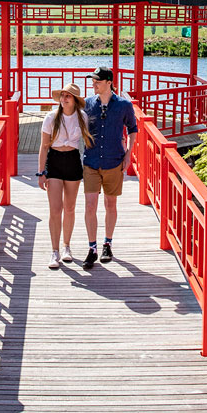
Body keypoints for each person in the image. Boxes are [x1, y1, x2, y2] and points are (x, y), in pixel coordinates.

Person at [82, 66, 138, 270]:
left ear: (108, 82)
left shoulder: (124, 105)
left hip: (114, 160)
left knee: (110, 204)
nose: (93, 84)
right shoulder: (87, 104)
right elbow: (72, 120)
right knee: (90, 205)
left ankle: (108, 243)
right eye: (93, 81)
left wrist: (129, 154)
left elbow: (133, 129)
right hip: (91, 161)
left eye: (97, 81)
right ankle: (92, 248)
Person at [37, 82, 93, 269]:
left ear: (75, 100)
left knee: (69, 208)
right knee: (55, 209)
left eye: (67, 96)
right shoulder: (51, 117)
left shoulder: (82, 117)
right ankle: (54, 251)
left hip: (72, 160)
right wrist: (41, 172)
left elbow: (87, 143)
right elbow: (44, 146)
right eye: (62, 95)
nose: (63, 99)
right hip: (54, 161)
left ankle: (67, 246)